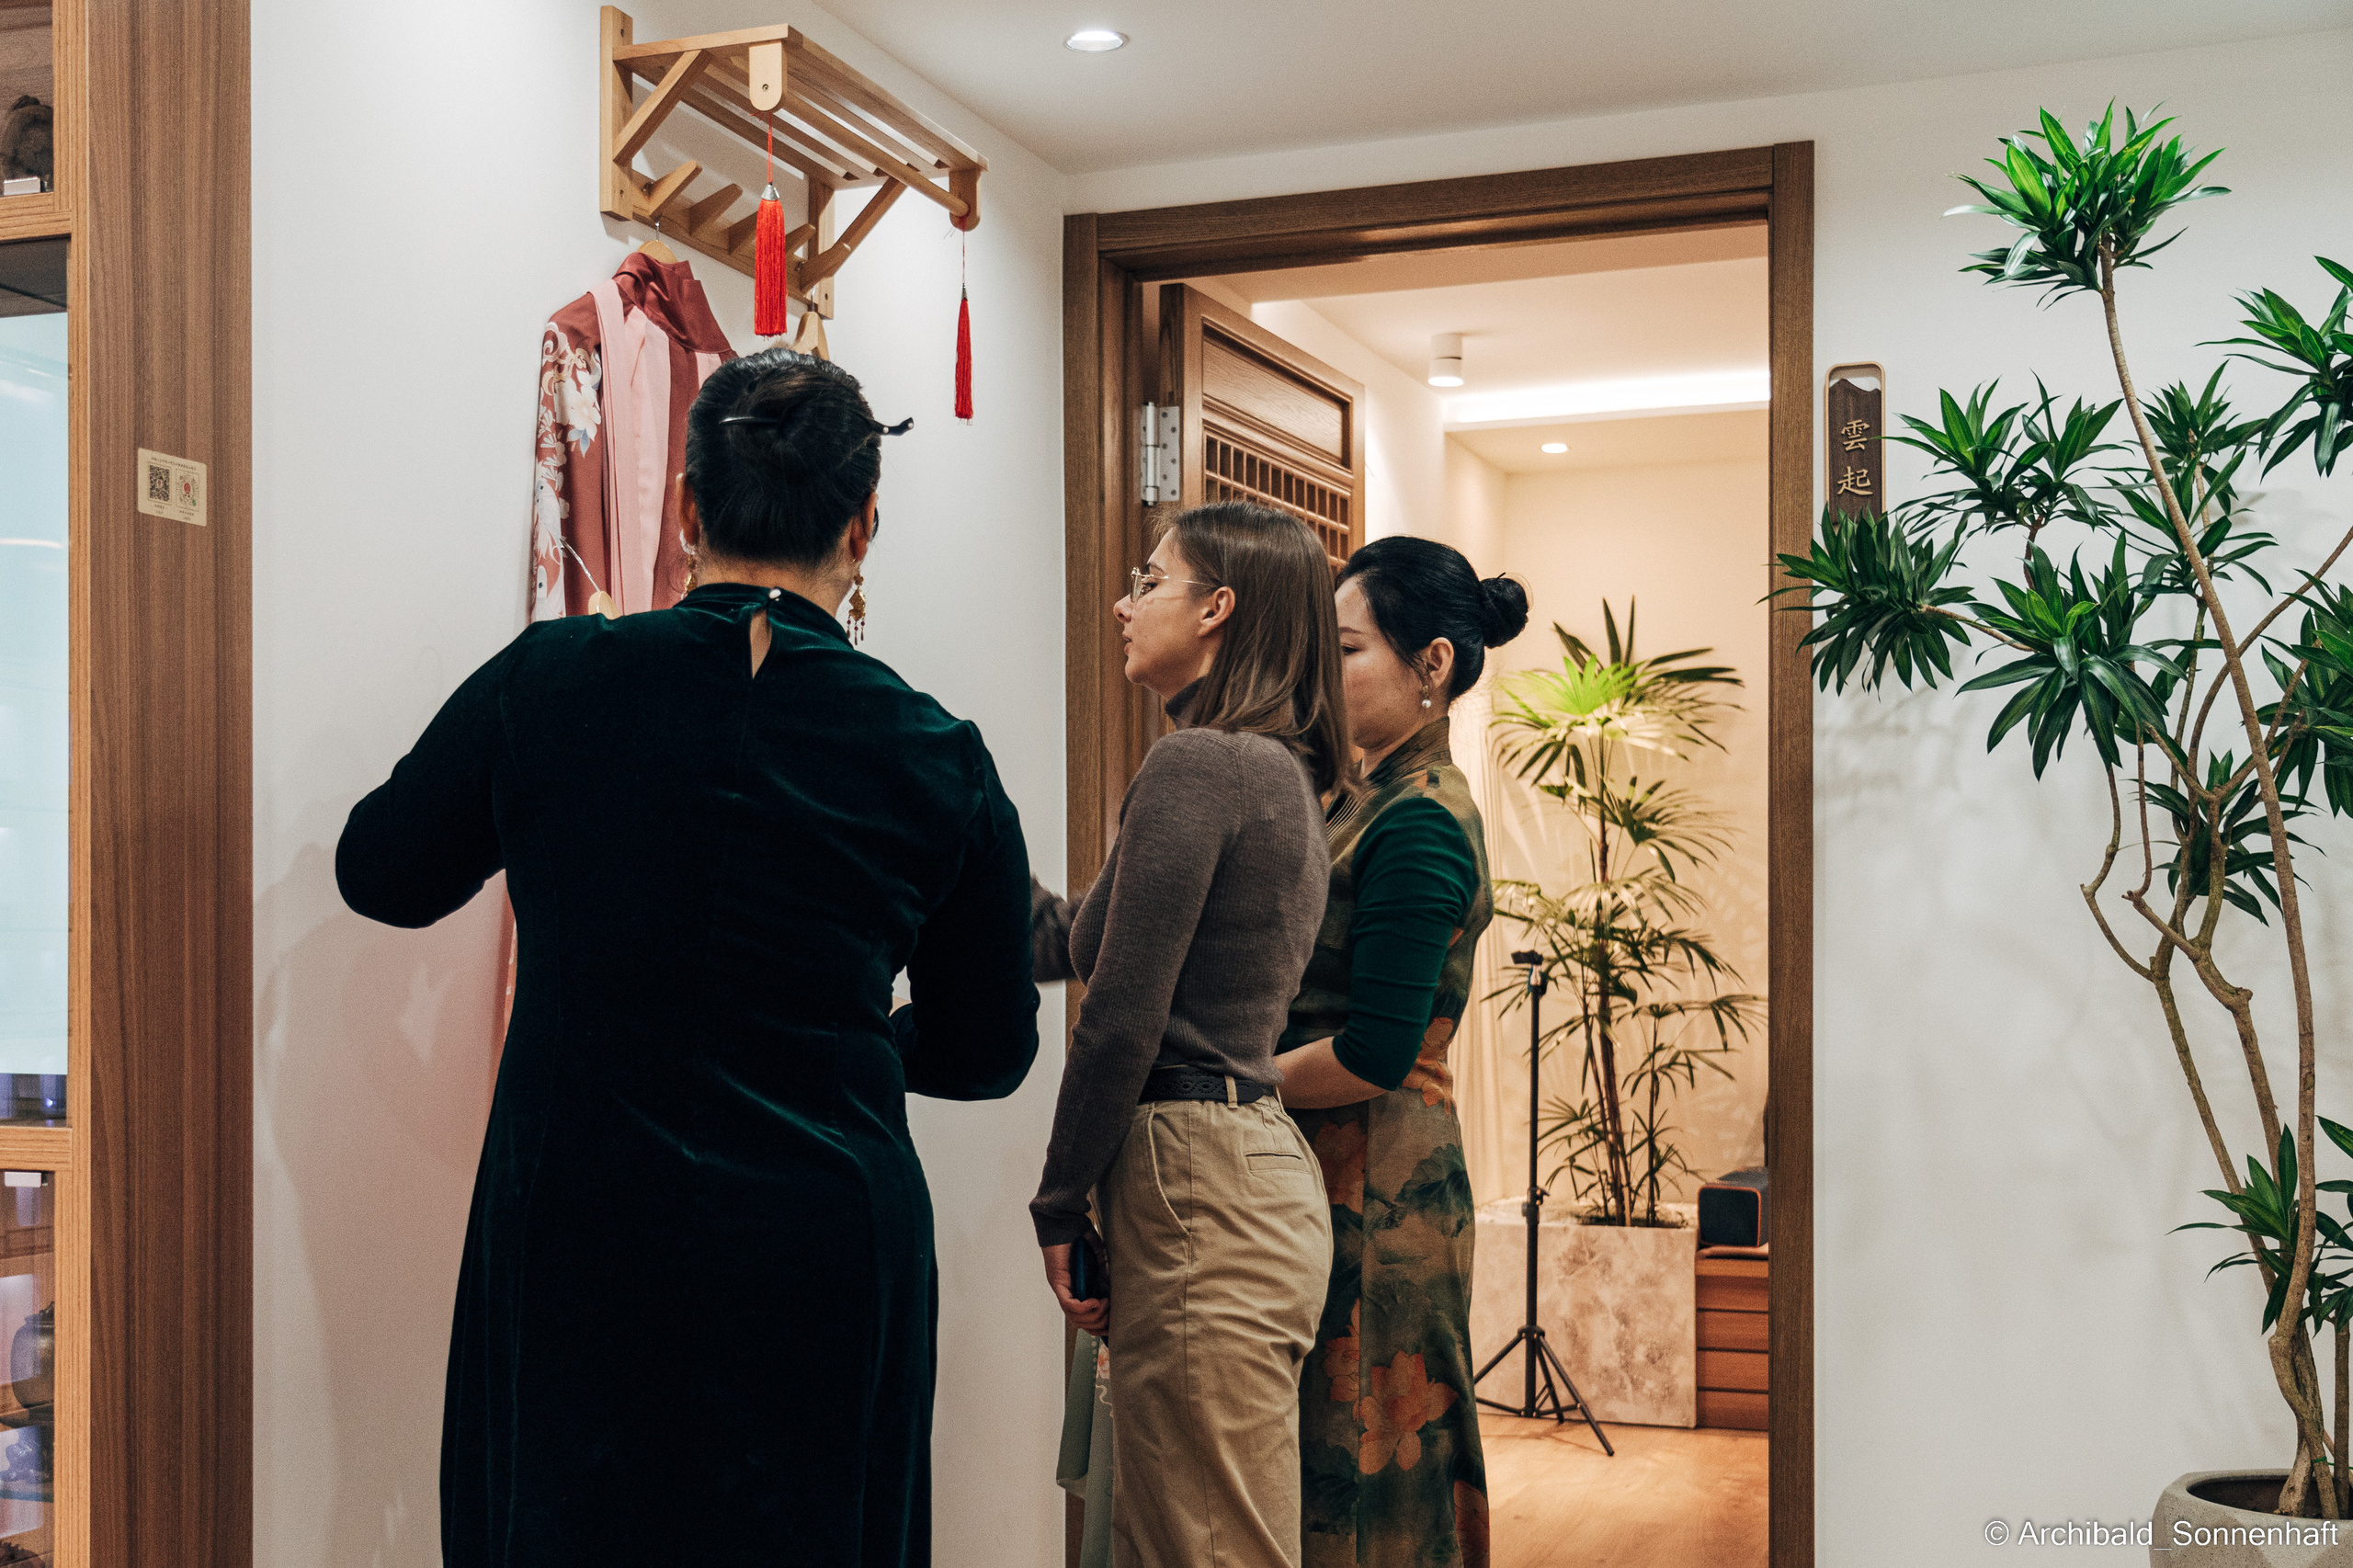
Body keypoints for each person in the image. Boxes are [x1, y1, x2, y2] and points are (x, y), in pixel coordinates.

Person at [335, 347, 1040, 1568]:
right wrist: (845, 1035)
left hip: (580, 1218)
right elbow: (988, 1049)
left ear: (685, 508)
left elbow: (379, 869)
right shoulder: (935, 753)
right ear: (865, 524)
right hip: (823, 1240)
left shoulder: (551, 681)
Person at [1030, 502, 1348, 1568]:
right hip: (1235, 1170)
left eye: (1146, 579)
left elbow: (1120, 1015)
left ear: (1216, 607)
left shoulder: (1203, 766)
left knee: (1203, 1545)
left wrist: (1057, 1197)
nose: (1123, 603)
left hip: (1197, 1174)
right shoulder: (1275, 771)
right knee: (1187, 1533)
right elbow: (1077, 939)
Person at [1276, 535, 1529, 1568]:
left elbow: (1377, 1049)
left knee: (1368, 1460)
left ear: (1431, 664)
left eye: (1344, 648)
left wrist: (1217, 1083)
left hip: (1377, 1182)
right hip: (1327, 1161)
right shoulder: (1363, 795)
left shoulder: (1420, 819)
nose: (1322, 674)